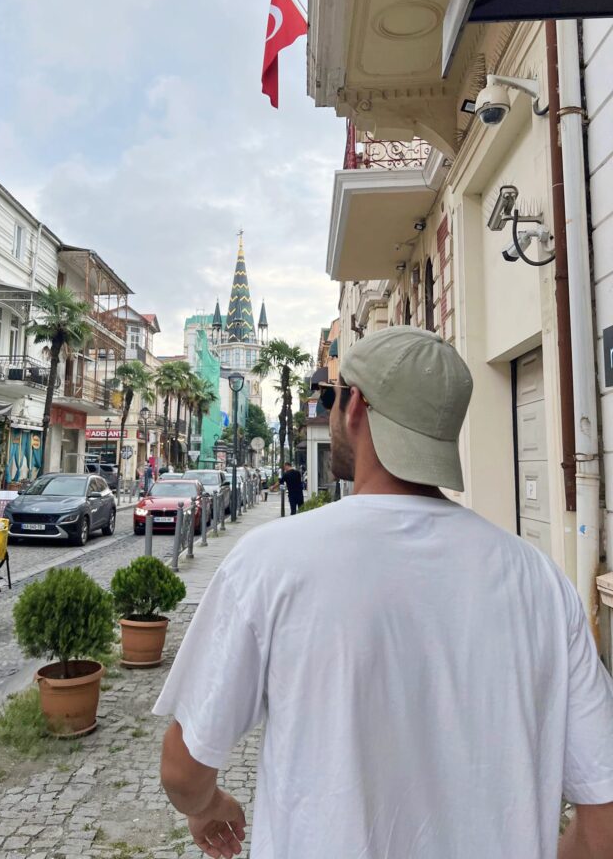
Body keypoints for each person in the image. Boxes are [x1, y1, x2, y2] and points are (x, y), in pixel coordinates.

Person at [154, 327, 613, 858]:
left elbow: (184, 769)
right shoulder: (542, 583)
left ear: (355, 407)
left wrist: (208, 807)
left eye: (331, 397)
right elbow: (603, 818)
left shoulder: (270, 563)